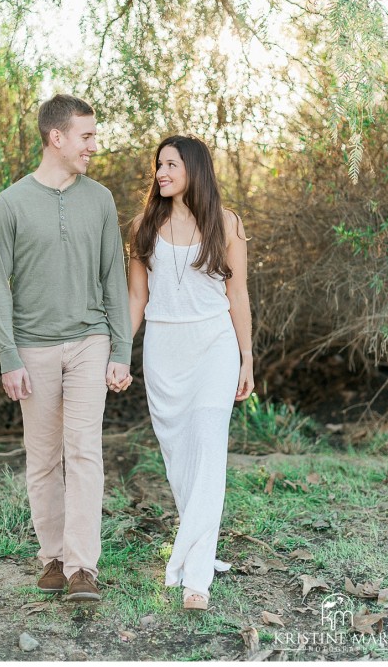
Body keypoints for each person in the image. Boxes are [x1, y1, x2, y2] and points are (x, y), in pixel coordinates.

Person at [0, 94, 132, 602]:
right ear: (57, 138)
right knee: (44, 458)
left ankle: (81, 569)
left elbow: (114, 276)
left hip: (91, 341)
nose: (94, 145)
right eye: (86, 136)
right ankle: (50, 557)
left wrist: (121, 349)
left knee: (85, 452)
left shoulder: (101, 199)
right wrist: (9, 356)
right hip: (33, 348)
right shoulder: (11, 203)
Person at [128, 134, 254, 611]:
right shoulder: (143, 226)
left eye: (171, 164)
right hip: (163, 351)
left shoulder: (227, 224)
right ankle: (198, 548)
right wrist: (121, 351)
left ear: (194, 170)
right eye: (159, 164)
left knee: (208, 452)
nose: (161, 172)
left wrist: (247, 357)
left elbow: (237, 296)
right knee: (181, 462)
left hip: (214, 348)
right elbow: (137, 299)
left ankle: (196, 577)